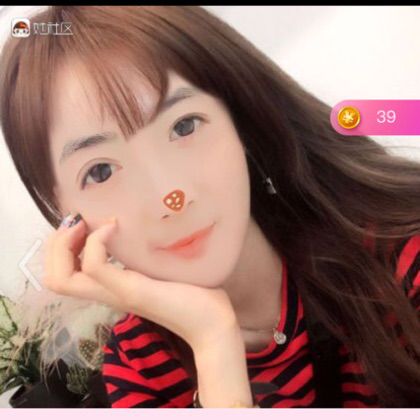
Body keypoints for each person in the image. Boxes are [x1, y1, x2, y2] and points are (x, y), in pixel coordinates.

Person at [0, 5, 419, 408]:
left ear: (240, 119)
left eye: (184, 126)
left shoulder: (394, 252)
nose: (169, 197)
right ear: (68, 215)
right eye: (101, 171)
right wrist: (214, 342)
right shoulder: (137, 366)